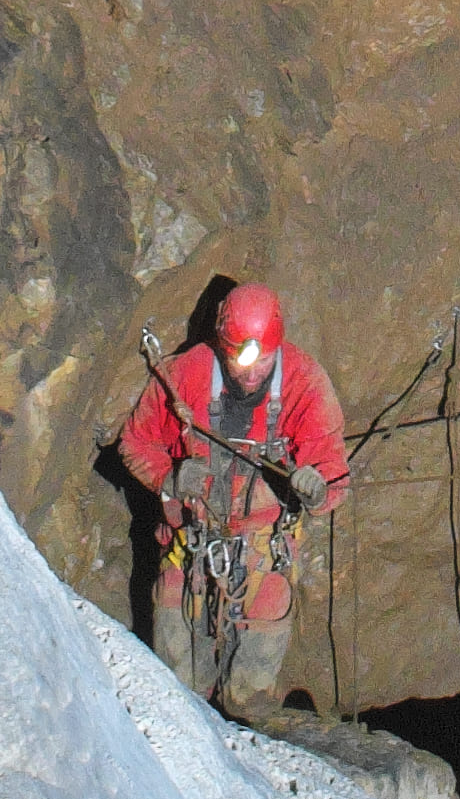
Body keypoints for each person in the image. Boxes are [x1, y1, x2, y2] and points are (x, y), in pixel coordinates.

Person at [121, 284, 350, 713]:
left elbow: (334, 480)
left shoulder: (306, 384)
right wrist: (169, 477)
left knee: (251, 702)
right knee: (176, 696)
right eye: (240, 360)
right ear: (220, 345)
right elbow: (135, 442)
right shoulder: (185, 375)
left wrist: (316, 489)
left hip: (263, 557)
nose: (250, 374)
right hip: (189, 554)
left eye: (264, 361)